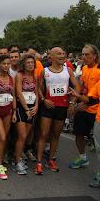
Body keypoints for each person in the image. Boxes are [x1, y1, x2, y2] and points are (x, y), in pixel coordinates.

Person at [35, 47, 81, 175]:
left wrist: (72, 101)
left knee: (56, 135)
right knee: (44, 134)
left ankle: (50, 159)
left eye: (63, 53)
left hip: (62, 107)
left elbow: (77, 86)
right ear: (52, 56)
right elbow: (38, 88)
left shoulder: (68, 70)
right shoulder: (44, 71)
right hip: (48, 107)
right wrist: (44, 99)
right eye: (59, 54)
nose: (62, 55)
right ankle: (39, 162)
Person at [69, 45, 100, 169]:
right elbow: (81, 87)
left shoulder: (99, 70)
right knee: (79, 134)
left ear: (95, 56)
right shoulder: (85, 68)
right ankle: (83, 158)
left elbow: (96, 96)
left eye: (87, 54)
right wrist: (73, 103)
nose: (84, 57)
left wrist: (84, 104)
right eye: (83, 54)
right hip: (83, 106)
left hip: (95, 109)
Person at [70, 79, 100, 187]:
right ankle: (83, 159)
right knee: (98, 148)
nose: (84, 60)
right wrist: (77, 97)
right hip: (98, 119)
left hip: (94, 114)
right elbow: (91, 99)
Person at [13, 54, 39, 175]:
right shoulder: (19, 75)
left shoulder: (35, 76)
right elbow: (18, 93)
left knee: (26, 135)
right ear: (23, 64)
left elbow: (36, 93)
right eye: (28, 62)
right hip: (21, 108)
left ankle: (18, 158)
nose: (30, 64)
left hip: (32, 107)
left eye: (32, 63)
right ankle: (17, 161)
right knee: (22, 135)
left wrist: (36, 106)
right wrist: (26, 109)